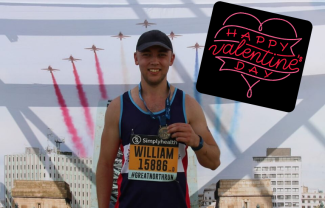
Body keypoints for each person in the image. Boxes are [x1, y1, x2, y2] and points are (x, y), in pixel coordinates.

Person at [96, 30, 221, 208]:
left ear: (171, 59)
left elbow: (214, 162)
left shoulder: (188, 106)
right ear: (136, 58)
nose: (154, 61)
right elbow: (105, 165)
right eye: (146, 55)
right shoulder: (118, 107)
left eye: (161, 55)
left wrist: (196, 141)